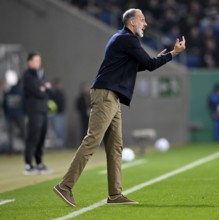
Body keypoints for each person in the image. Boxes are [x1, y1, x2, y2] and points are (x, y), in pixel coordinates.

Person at [53, 8, 186, 207]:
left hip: (112, 97)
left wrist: (158, 59)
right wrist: (174, 53)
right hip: (105, 95)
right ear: (132, 22)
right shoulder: (128, 39)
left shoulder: (123, 38)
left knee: (115, 147)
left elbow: (137, 65)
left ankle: (115, 195)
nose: (146, 23)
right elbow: (149, 64)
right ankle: (65, 185)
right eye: (142, 19)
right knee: (92, 141)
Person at [22, 52, 53, 175]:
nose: (38, 63)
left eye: (39, 61)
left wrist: (44, 88)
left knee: (41, 137)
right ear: (29, 62)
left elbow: (50, 90)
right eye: (35, 61)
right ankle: (28, 165)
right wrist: (44, 88)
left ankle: (39, 163)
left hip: (43, 109)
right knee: (33, 136)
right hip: (34, 110)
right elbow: (37, 92)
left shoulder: (40, 75)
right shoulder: (27, 75)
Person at [3, 80, 26, 154]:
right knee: (24, 132)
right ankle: (28, 148)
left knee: (11, 133)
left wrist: (7, 114)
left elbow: (4, 105)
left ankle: (11, 149)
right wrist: (25, 113)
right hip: (20, 115)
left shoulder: (8, 93)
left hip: (10, 116)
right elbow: (24, 103)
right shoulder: (21, 92)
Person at [49, 78, 66, 147]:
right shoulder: (52, 93)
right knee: (56, 130)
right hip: (55, 114)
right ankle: (56, 145)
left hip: (60, 114)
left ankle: (60, 144)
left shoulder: (61, 93)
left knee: (60, 130)